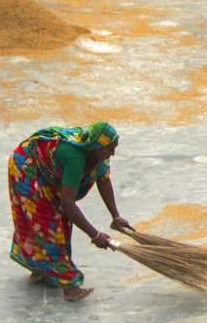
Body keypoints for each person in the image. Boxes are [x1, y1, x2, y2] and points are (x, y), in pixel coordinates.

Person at [8, 120, 132, 301]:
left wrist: (116, 216)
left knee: (55, 223)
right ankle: (69, 287)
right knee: (49, 227)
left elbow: (103, 180)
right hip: (27, 168)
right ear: (95, 147)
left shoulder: (99, 154)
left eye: (114, 148)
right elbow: (67, 202)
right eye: (108, 149)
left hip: (47, 170)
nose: (112, 153)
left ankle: (42, 271)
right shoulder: (75, 158)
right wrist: (95, 235)